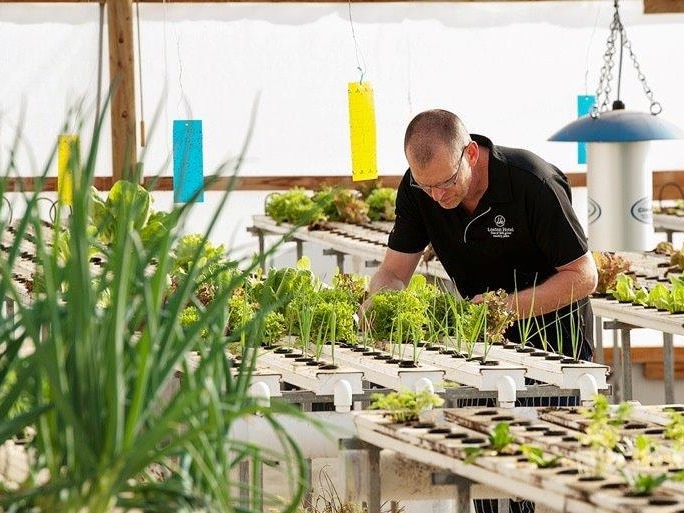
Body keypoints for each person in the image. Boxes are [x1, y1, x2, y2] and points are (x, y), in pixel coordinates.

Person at [365, 109, 599, 513]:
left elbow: (583, 275)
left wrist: (502, 308)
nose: (437, 196)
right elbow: (394, 270)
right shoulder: (420, 189)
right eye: (426, 188)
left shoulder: (532, 182)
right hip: (483, 347)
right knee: (486, 476)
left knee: (554, 479)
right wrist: (378, 305)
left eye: (445, 183)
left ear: (470, 153)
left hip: (555, 340)